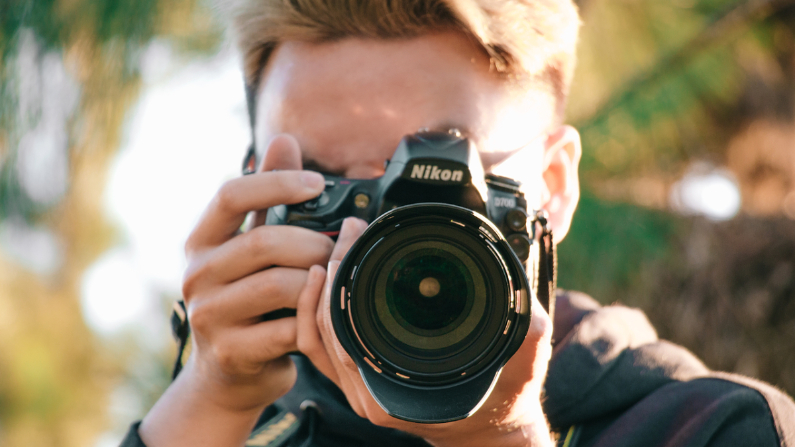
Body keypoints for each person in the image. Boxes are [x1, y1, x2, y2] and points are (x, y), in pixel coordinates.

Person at [120, 1, 795, 446]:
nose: (380, 233)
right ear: (258, 195)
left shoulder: (713, 430)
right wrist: (205, 401)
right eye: (328, 188)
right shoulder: (223, 428)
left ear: (553, 187)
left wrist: (499, 437)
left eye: (431, 179)